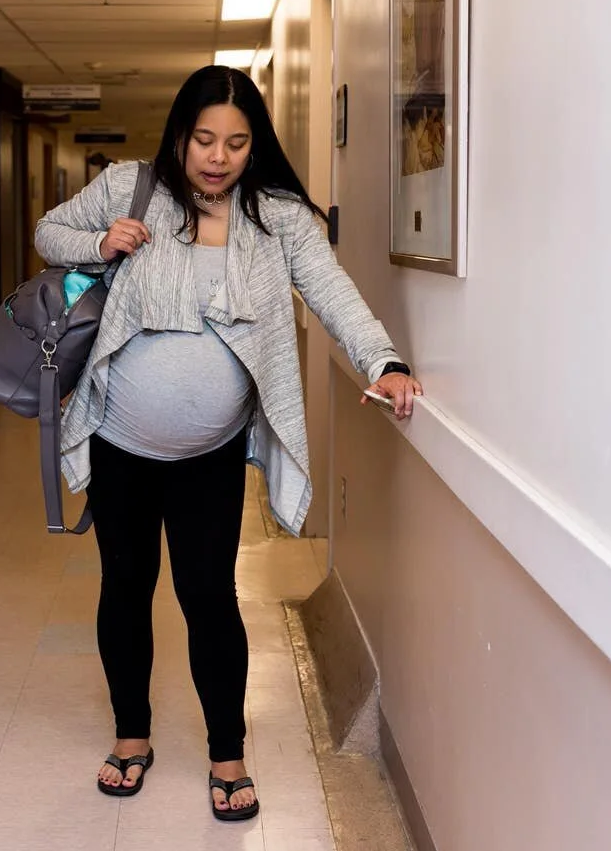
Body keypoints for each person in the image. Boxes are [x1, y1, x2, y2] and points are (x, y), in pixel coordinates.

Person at [34, 65, 421, 822]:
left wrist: (385, 360)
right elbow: (50, 233)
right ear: (180, 133)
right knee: (126, 588)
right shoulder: (129, 189)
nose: (218, 156)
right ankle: (131, 737)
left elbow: (332, 290)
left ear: (256, 145)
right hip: (119, 441)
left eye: (237, 142)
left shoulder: (276, 217)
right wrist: (100, 239)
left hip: (208, 454)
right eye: (204, 138)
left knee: (209, 596)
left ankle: (227, 753)